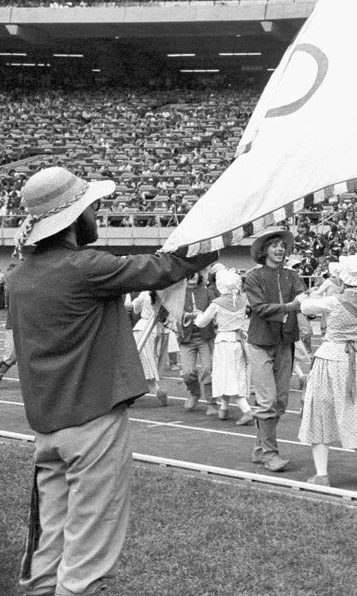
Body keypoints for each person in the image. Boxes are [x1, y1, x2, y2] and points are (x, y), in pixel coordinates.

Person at [7, 166, 214, 596]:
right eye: (91, 207)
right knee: (87, 555)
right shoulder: (84, 267)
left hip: (46, 427)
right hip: (93, 421)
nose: (96, 213)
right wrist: (218, 237)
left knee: (49, 547)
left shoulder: (19, 277)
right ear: (73, 218)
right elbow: (164, 268)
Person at [298, 255, 357, 487]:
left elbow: (305, 306)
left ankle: (322, 474)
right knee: (354, 409)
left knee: (320, 413)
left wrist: (312, 295)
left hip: (331, 357)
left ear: (342, 278)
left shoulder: (334, 301)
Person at [244, 227, 309, 473]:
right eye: (274, 245)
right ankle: (270, 454)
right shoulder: (254, 277)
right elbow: (259, 308)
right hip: (260, 341)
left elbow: (303, 299)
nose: (280, 249)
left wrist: (311, 302)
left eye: (282, 245)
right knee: (267, 401)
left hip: (285, 341)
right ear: (264, 250)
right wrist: (291, 306)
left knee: (280, 402)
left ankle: (259, 449)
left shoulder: (293, 275)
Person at [190, 266, 255, 424]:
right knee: (234, 374)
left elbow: (201, 322)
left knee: (227, 376)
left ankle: (247, 411)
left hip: (224, 342)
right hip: (240, 341)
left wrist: (198, 315)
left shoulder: (217, 303)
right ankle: (224, 408)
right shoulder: (243, 300)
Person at [177, 270, 218, 415]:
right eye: (189, 273)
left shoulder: (208, 292)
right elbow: (173, 312)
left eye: (195, 272)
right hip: (186, 339)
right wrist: (187, 315)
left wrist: (205, 315)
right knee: (188, 373)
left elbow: (216, 309)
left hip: (205, 338)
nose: (192, 275)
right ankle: (194, 393)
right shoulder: (178, 294)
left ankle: (212, 403)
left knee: (207, 370)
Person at [127, 290, 170, 407]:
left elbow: (135, 307)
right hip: (156, 330)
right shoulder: (166, 295)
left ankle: (135, 393)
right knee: (147, 361)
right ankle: (154, 390)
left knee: (141, 361)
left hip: (143, 328)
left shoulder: (145, 293)